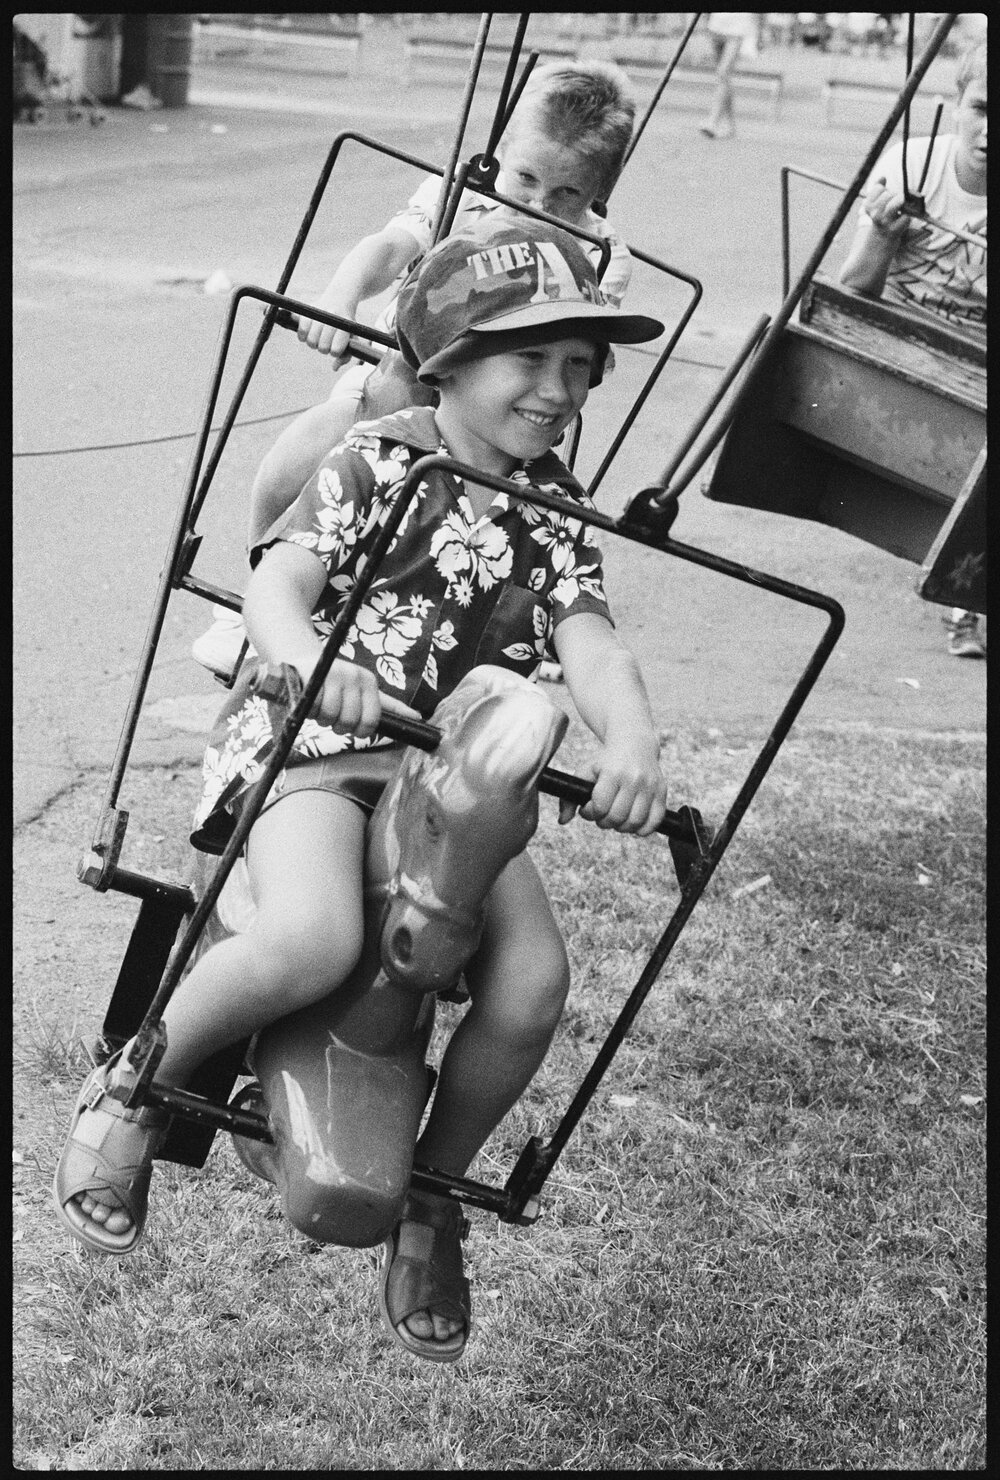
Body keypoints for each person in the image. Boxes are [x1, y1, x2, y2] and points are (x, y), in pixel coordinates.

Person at [53, 218, 669, 1364]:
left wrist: (629, 736)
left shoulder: (555, 506)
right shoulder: (381, 458)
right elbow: (279, 583)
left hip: (448, 766)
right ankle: (135, 1083)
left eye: (580, 365)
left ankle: (432, 1190)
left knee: (535, 984)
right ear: (444, 355)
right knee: (310, 933)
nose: (560, 388)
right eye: (530, 358)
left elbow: (591, 639)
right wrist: (310, 662)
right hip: (316, 748)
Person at [192, 60, 638, 678]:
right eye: (526, 177)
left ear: (598, 195)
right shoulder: (461, 193)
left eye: (566, 194)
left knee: (515, 516)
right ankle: (259, 598)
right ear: (497, 154)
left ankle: (516, 628)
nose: (537, 203)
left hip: (496, 413)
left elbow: (584, 356)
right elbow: (391, 246)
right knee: (289, 466)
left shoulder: (600, 256)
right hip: (388, 381)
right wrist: (340, 296)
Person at [839, 39, 987, 659]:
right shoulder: (910, 166)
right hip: (898, 338)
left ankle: (965, 594)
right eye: (982, 106)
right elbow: (854, 287)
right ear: (954, 104)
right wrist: (880, 232)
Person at [698, 13, 761, 141]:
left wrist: (759, 32)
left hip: (738, 27)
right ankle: (731, 126)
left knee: (723, 72)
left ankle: (712, 122)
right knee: (723, 78)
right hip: (717, 26)